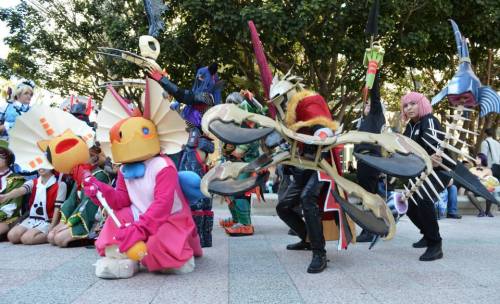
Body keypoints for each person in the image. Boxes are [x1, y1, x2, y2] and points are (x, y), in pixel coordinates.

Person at [149, 63, 222, 247]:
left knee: (193, 189)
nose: (198, 79)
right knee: (196, 189)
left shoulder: (207, 96)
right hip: (193, 143)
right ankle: (199, 239)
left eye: (202, 76)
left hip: (195, 144)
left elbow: (185, 95)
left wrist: (162, 80)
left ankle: (195, 239)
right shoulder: (203, 100)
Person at [400, 92, 451, 261]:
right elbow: (406, 151)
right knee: (407, 203)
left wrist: (435, 157)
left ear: (422, 104)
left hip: (441, 171)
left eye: (413, 104)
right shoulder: (410, 126)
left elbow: (435, 153)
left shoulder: (429, 120)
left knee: (423, 199)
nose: (409, 108)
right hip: (422, 171)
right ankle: (427, 234)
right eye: (406, 105)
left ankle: (435, 245)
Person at [48, 147, 111, 247]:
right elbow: (71, 200)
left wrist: (70, 223)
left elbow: (88, 203)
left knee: (59, 239)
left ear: (94, 158)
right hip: (78, 215)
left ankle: (92, 237)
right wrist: (63, 222)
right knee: (51, 237)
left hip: (89, 218)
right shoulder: (81, 174)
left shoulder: (100, 175)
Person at [354, 72, 386, 242]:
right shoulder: (365, 121)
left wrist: (374, 74)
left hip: (370, 160)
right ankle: (376, 228)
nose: (366, 106)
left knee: (369, 197)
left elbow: (375, 97)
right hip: (364, 161)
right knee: (369, 196)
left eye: (368, 104)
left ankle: (369, 230)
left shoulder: (376, 115)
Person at [3, 168, 67, 245]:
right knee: (12, 236)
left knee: (27, 239)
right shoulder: (33, 182)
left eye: (45, 165)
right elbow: (20, 190)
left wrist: (52, 227)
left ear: (51, 167)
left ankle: (50, 235)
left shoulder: (60, 185)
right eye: (39, 165)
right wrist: (5, 196)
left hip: (49, 220)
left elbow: (58, 208)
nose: (41, 168)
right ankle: (33, 232)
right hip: (33, 218)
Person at [0, 146, 26, 240]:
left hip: (9, 218)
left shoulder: (16, 179)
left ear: (8, 160)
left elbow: (12, 206)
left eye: (0, 156)